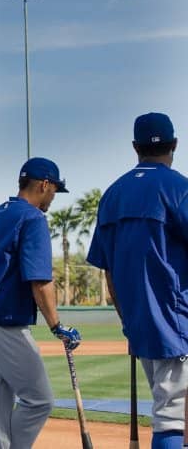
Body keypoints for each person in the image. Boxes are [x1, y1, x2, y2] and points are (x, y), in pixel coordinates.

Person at [0, 157, 82, 449]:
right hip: (3, 322)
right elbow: (39, 282)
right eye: (54, 190)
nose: (53, 197)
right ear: (44, 184)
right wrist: (57, 326)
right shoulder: (33, 218)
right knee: (39, 400)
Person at [86, 112, 188, 449]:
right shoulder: (179, 188)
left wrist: (128, 318)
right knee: (174, 417)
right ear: (174, 145)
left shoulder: (112, 195)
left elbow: (108, 270)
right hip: (177, 323)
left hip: (142, 323)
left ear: (135, 147)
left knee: (169, 411)